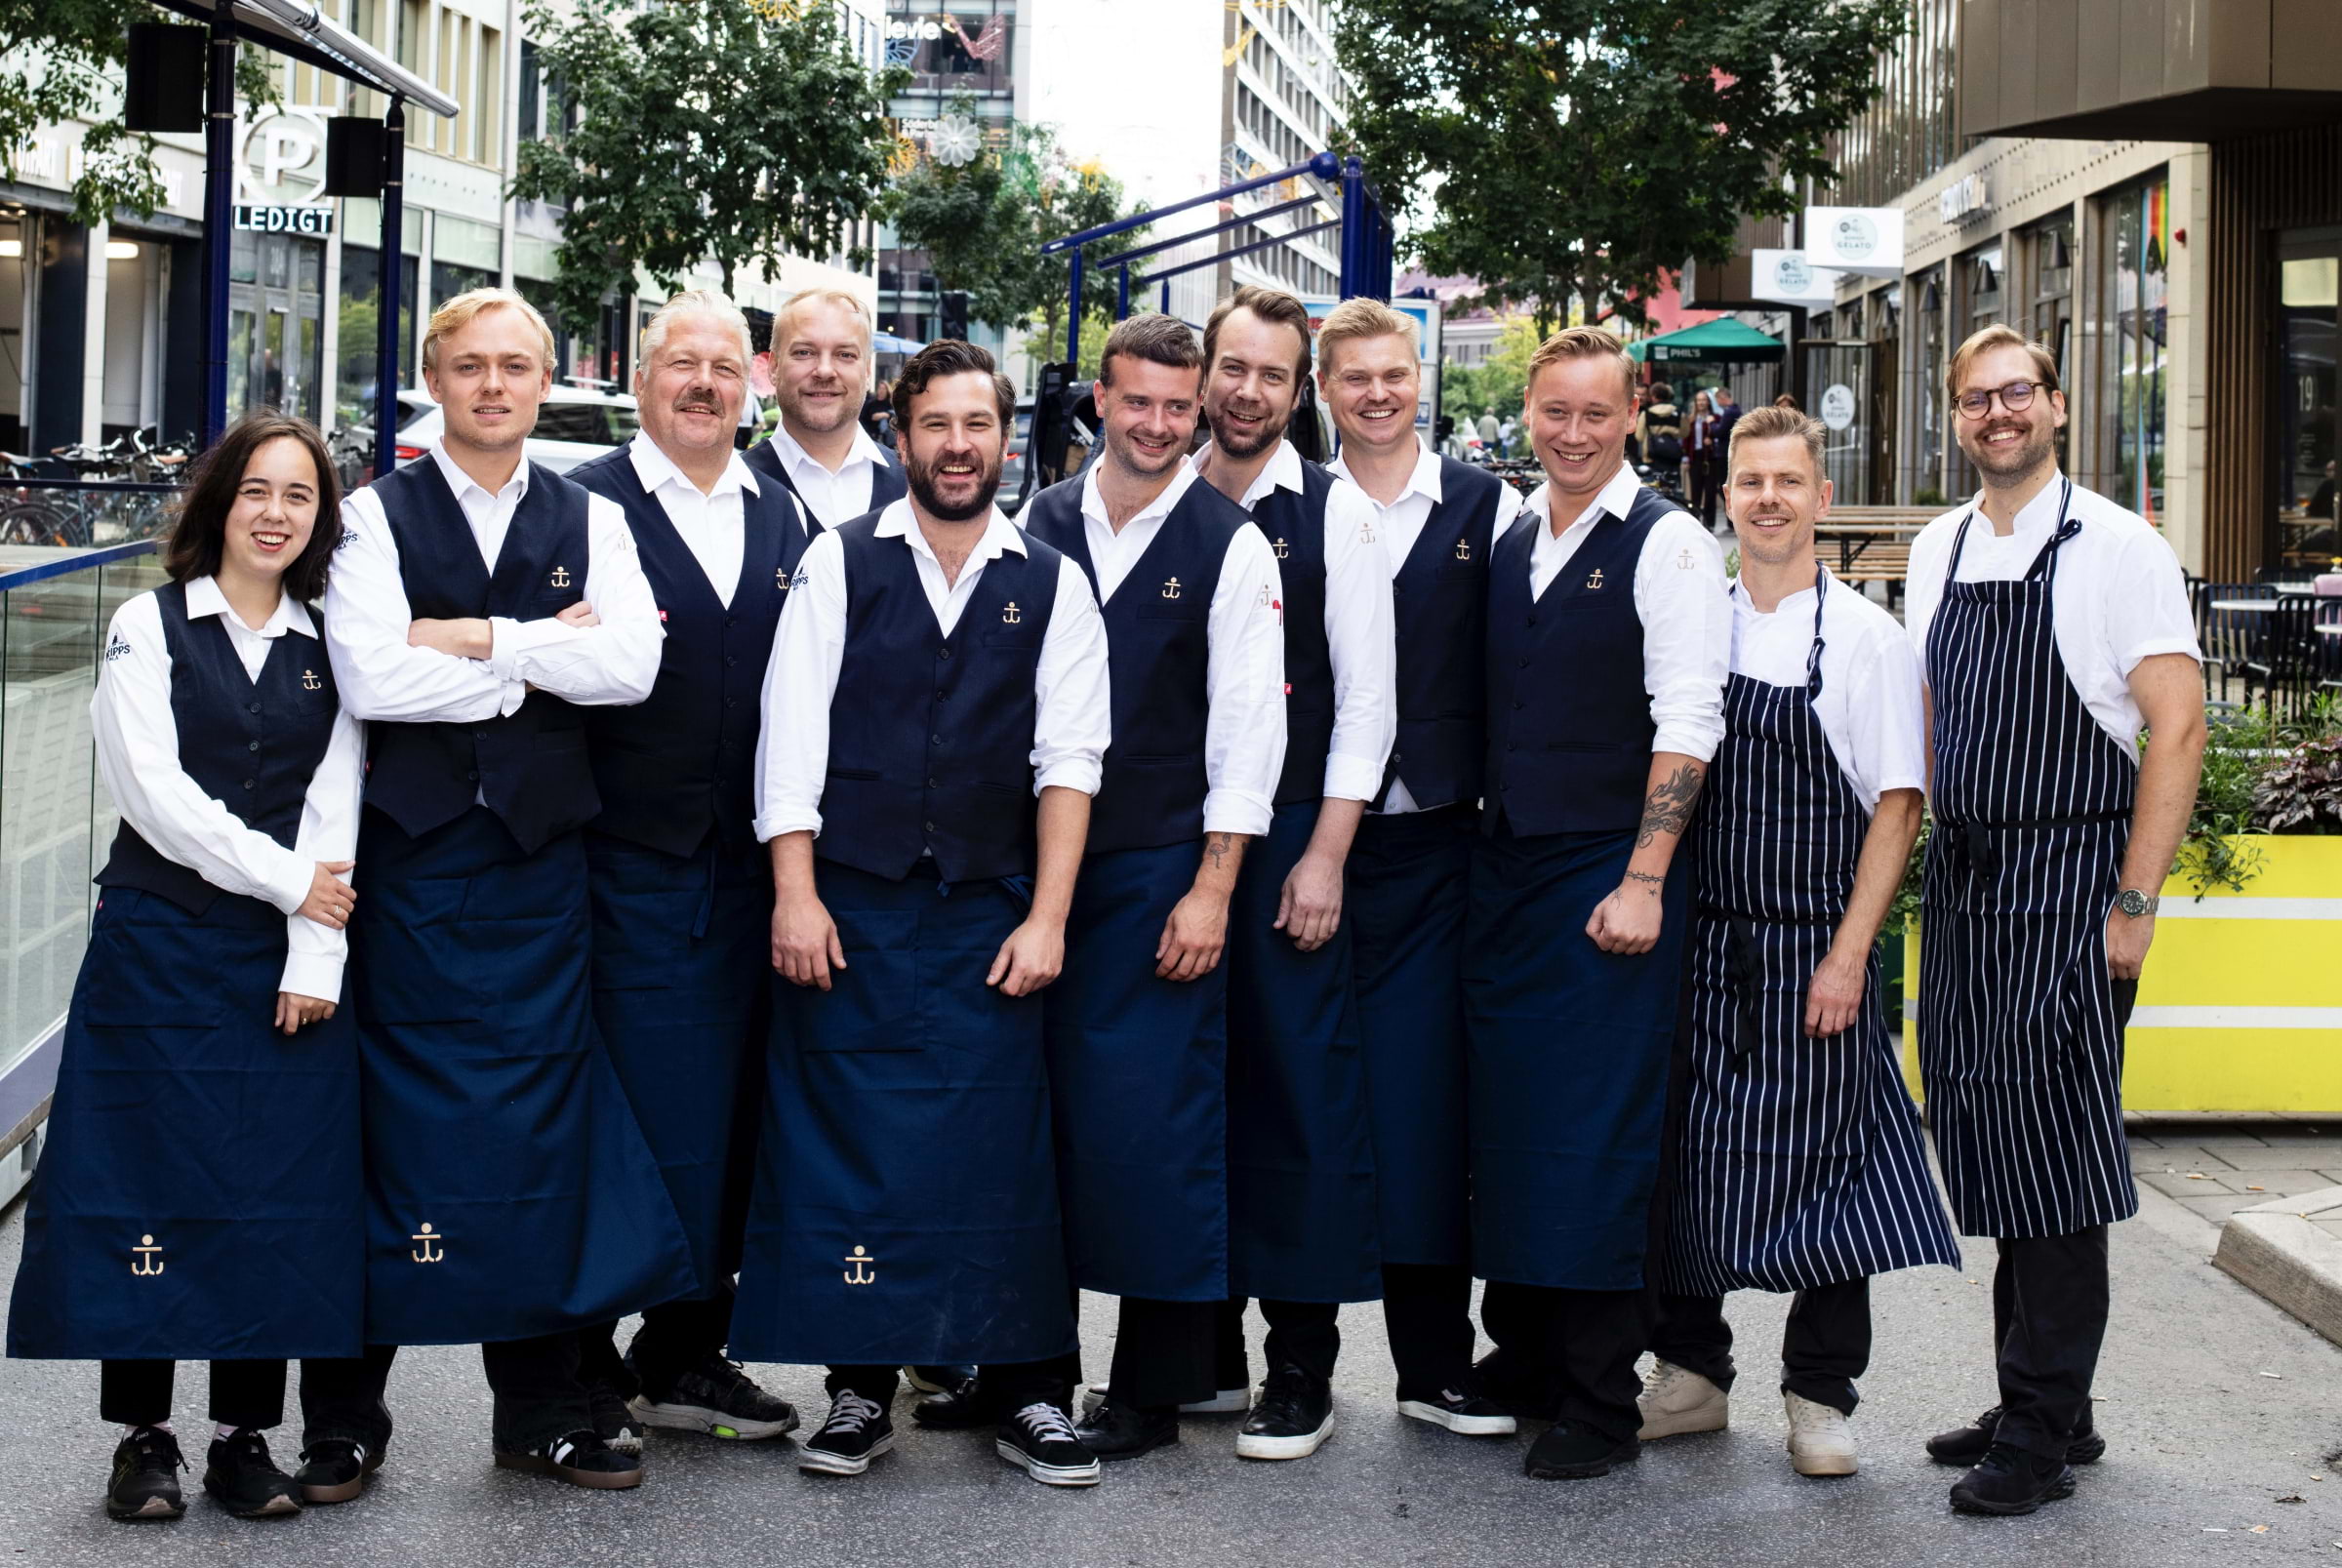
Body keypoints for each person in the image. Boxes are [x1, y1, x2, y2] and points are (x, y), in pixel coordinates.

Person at [310, 287, 697, 1493]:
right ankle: (343, 1415)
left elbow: (630, 665)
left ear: (542, 382)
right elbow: (371, 679)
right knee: (382, 1134)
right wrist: (540, 647)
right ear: (436, 377)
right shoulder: (370, 516)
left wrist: (471, 638)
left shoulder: (594, 512)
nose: (493, 385)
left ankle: (539, 1406)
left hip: (538, 876)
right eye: (470, 365)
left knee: (540, 1131)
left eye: (514, 366)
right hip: (411, 870)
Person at [735, 339, 1113, 1488]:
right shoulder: (839, 562)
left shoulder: (1049, 578)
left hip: (992, 909)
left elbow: (1070, 760)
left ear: (1008, 439)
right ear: (902, 437)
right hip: (852, 904)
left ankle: (1034, 1388)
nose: (957, 446)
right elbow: (788, 742)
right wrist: (794, 893)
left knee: (1001, 1146)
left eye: (977, 426)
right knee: (854, 1148)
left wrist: (1050, 916)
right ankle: (858, 1388)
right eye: (935, 425)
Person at [7, 415, 362, 1522]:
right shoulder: (146, 623)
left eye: (298, 496)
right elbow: (153, 797)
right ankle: (145, 1438)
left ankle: (242, 1434)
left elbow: (334, 809)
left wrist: (315, 943)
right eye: (255, 488)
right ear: (218, 502)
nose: (273, 512)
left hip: (279, 961)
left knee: (271, 1194)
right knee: (146, 1177)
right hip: (159, 945)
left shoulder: (327, 644)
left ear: (319, 520)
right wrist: (290, 881)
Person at [1908, 325, 2204, 1516]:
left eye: (2017, 394)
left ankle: (2037, 1431)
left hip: (2074, 882)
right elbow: (1931, 711)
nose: (1999, 414)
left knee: (2060, 1161)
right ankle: (2047, 1396)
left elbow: (2175, 730)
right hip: (1973, 887)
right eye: (1977, 399)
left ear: (2059, 405)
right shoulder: (1939, 544)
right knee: (1988, 1141)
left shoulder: (2119, 547)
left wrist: (2134, 902)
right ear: (1958, 416)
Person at [1638, 407, 1960, 1479]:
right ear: (1722, 498)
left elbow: (1898, 805)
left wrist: (1850, 953)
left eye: (1788, 480)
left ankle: (1821, 1392)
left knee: (1839, 1179)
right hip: (1706, 945)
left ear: (1820, 498)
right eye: (1749, 481)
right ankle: (1689, 1374)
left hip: (1816, 947)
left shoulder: (1866, 637)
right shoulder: (1699, 621)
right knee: (1685, 1165)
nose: (1768, 497)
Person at [1014, 312, 1287, 1465]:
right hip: (1030, 866)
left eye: (1180, 406)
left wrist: (1214, 888)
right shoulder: (1038, 520)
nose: (1162, 424)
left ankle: (1154, 1387)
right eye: (1140, 402)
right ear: (1100, 405)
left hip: (1161, 870)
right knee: (1027, 1128)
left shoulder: (1233, 543)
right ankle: (1021, 1370)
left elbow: (1248, 734)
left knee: (1154, 1132)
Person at [1469, 325, 1729, 1481]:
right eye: (1553, 411)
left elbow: (1689, 717)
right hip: (1511, 871)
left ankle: (1599, 1398)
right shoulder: (1517, 528)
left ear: (1635, 416)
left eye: (1595, 413)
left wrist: (1642, 876)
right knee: (1517, 1128)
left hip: (1605, 876)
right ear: (1530, 412)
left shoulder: (1667, 543)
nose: (1572, 433)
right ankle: (1522, 1353)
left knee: (1595, 1140)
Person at [565, 290, 812, 1448]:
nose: (705, 383)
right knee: (602, 1115)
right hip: (611, 864)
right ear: (643, 375)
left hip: (751, 876)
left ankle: (686, 1350)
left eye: (725, 365)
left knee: (728, 1118)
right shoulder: (580, 510)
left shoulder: (788, 519)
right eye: (683, 363)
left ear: (751, 384)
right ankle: (572, 1363)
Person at [1191, 285, 1394, 1463]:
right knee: (1182, 1097)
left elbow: (1368, 700)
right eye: (1234, 368)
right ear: (1205, 373)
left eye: (1274, 373)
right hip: (1169, 848)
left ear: (1299, 387)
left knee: (1299, 1103)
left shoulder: (1337, 517)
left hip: (1289, 850)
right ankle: (1192, 1353)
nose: (1249, 391)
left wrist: (1325, 853)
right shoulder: (1158, 497)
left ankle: (1300, 1366)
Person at [1316, 299, 1520, 1439]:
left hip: (1440, 838)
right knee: (1297, 1091)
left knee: (1423, 1107)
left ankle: (1433, 1361)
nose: (1379, 393)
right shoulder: (1295, 505)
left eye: (1395, 374)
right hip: (1313, 841)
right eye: (1355, 377)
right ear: (1326, 389)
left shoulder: (1488, 510)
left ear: (1421, 379)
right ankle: (1260, 1354)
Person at [745, 292, 909, 530]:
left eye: (845, 354)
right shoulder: (732, 489)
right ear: (774, 367)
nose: (824, 371)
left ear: (866, 370)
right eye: (804, 352)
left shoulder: (913, 487)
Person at [1636, 382, 1685, 496]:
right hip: (1672, 456)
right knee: (1672, 486)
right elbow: (1684, 433)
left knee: (1651, 489)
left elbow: (1639, 436)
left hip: (1652, 456)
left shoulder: (1647, 413)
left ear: (1653, 396)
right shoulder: (1678, 413)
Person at [1686, 390, 1725, 530]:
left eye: (1704, 400)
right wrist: (1686, 458)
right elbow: (1686, 439)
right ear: (1696, 403)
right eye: (1698, 400)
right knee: (1695, 491)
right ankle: (1695, 521)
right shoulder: (1691, 418)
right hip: (1695, 457)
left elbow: (1721, 435)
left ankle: (1709, 523)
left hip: (1711, 458)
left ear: (1708, 402)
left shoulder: (1716, 417)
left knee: (1710, 492)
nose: (1701, 403)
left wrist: (1712, 440)